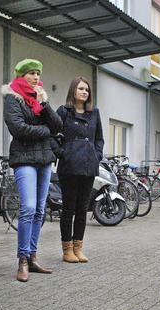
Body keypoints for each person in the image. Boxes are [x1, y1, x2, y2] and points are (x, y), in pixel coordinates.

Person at [2, 59, 62, 281]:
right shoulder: (12, 97)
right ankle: (23, 260)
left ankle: (33, 257)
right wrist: (45, 131)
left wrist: (43, 105)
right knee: (27, 208)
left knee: (39, 210)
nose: (36, 77)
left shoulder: (40, 97)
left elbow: (58, 126)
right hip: (24, 159)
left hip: (45, 159)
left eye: (38, 73)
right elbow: (17, 129)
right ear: (21, 75)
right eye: (31, 73)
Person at [55, 77, 104, 263]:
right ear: (73, 90)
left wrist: (97, 155)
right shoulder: (64, 111)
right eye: (81, 89)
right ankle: (67, 249)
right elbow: (52, 135)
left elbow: (99, 138)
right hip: (69, 167)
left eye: (87, 90)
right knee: (69, 208)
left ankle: (78, 247)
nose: (85, 92)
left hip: (88, 166)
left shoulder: (94, 113)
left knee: (82, 208)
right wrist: (63, 153)